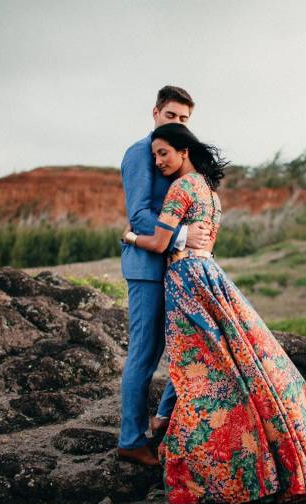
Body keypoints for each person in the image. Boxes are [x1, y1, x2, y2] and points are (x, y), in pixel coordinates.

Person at [121, 123, 306, 504]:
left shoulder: (181, 188)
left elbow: (160, 242)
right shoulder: (211, 192)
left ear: (184, 151)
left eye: (163, 153)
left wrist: (129, 236)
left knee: (198, 369)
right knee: (234, 361)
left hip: (185, 280)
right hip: (210, 274)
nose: (158, 161)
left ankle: (207, 457)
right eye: (155, 155)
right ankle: (265, 452)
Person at [117, 86, 212, 467]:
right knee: (144, 352)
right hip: (146, 268)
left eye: (184, 120)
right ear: (155, 113)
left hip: (179, 268)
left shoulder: (182, 160)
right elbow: (138, 214)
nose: (177, 124)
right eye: (171, 116)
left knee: (187, 346)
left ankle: (164, 422)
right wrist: (185, 235)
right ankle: (131, 440)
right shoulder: (141, 153)